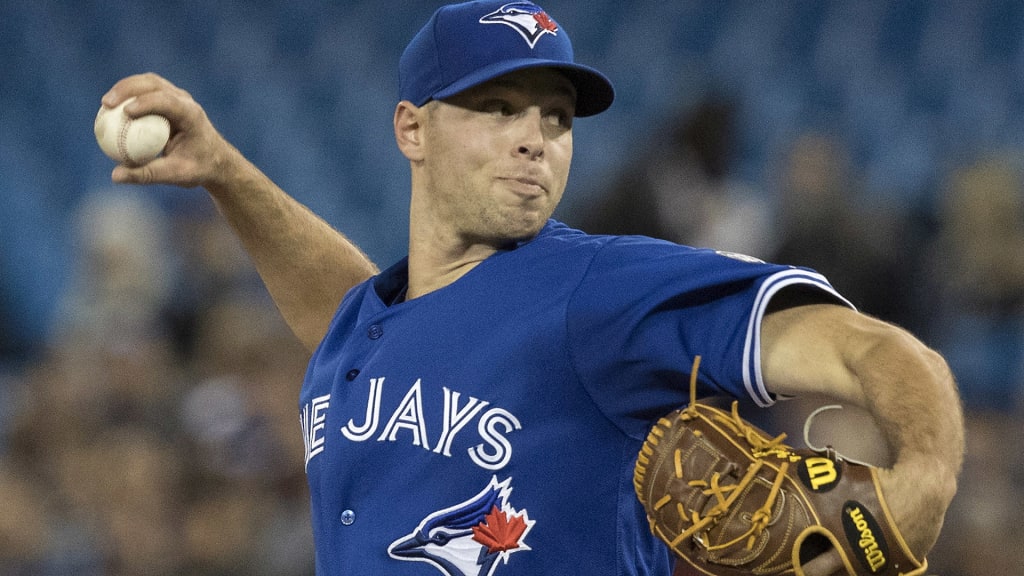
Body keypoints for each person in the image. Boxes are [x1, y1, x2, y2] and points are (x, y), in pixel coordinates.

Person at [99, 1, 963, 575]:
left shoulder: (598, 291)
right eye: (499, 107)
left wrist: (925, 475)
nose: (535, 138)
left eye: (554, 117)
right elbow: (357, 313)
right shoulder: (376, 326)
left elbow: (869, 349)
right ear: (413, 128)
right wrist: (224, 174)